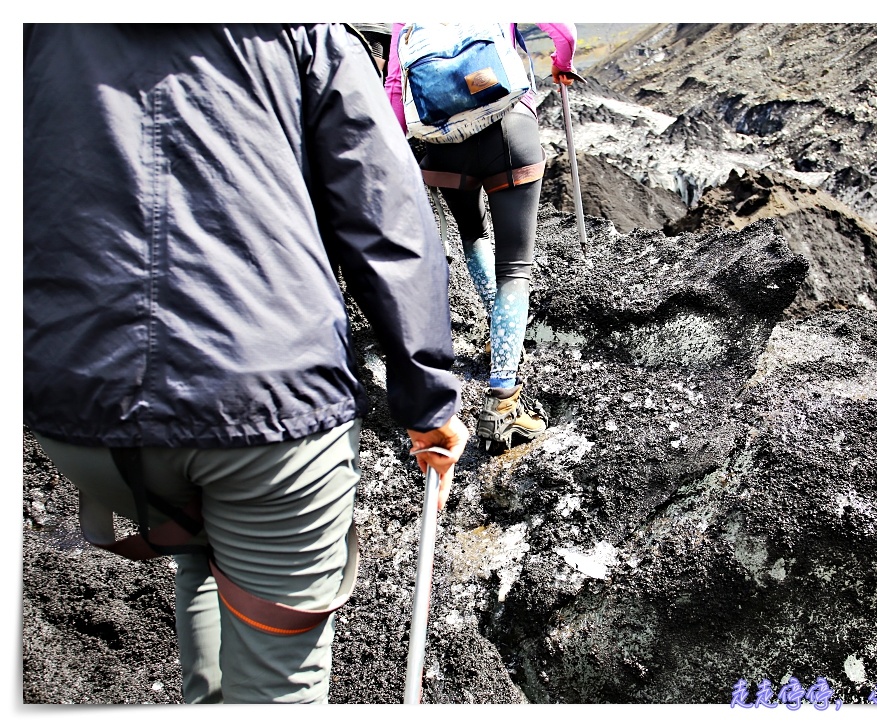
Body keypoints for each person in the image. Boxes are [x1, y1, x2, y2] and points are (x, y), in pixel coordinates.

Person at [23, 23, 468, 704]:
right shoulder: (303, 28)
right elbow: (388, 220)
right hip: (270, 402)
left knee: (200, 548)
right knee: (278, 685)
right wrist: (429, 405)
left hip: (83, 406)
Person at [384, 22, 580, 453]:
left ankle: (499, 336)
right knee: (516, 266)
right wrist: (561, 65)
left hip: (443, 146)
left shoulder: (405, 18)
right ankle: (504, 400)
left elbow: (396, 88)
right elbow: (561, 31)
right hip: (509, 132)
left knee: (472, 234)